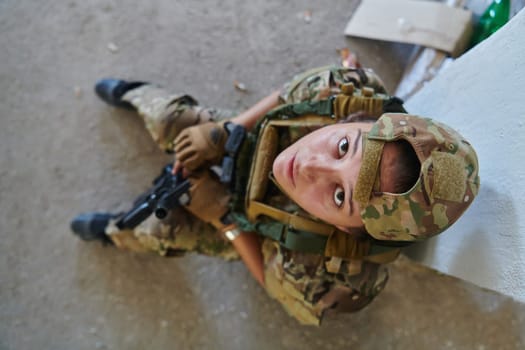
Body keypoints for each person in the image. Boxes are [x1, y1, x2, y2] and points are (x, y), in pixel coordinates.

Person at [71, 65, 480, 325]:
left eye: (339, 197)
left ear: (349, 230)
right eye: (343, 148)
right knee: (174, 121)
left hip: (257, 227)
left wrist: (223, 218)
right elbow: (288, 95)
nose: (310, 167)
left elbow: (270, 279)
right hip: (247, 146)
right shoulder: (348, 91)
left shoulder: (334, 272)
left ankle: (111, 232)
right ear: (360, 119)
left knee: (161, 229)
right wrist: (225, 131)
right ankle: (134, 90)